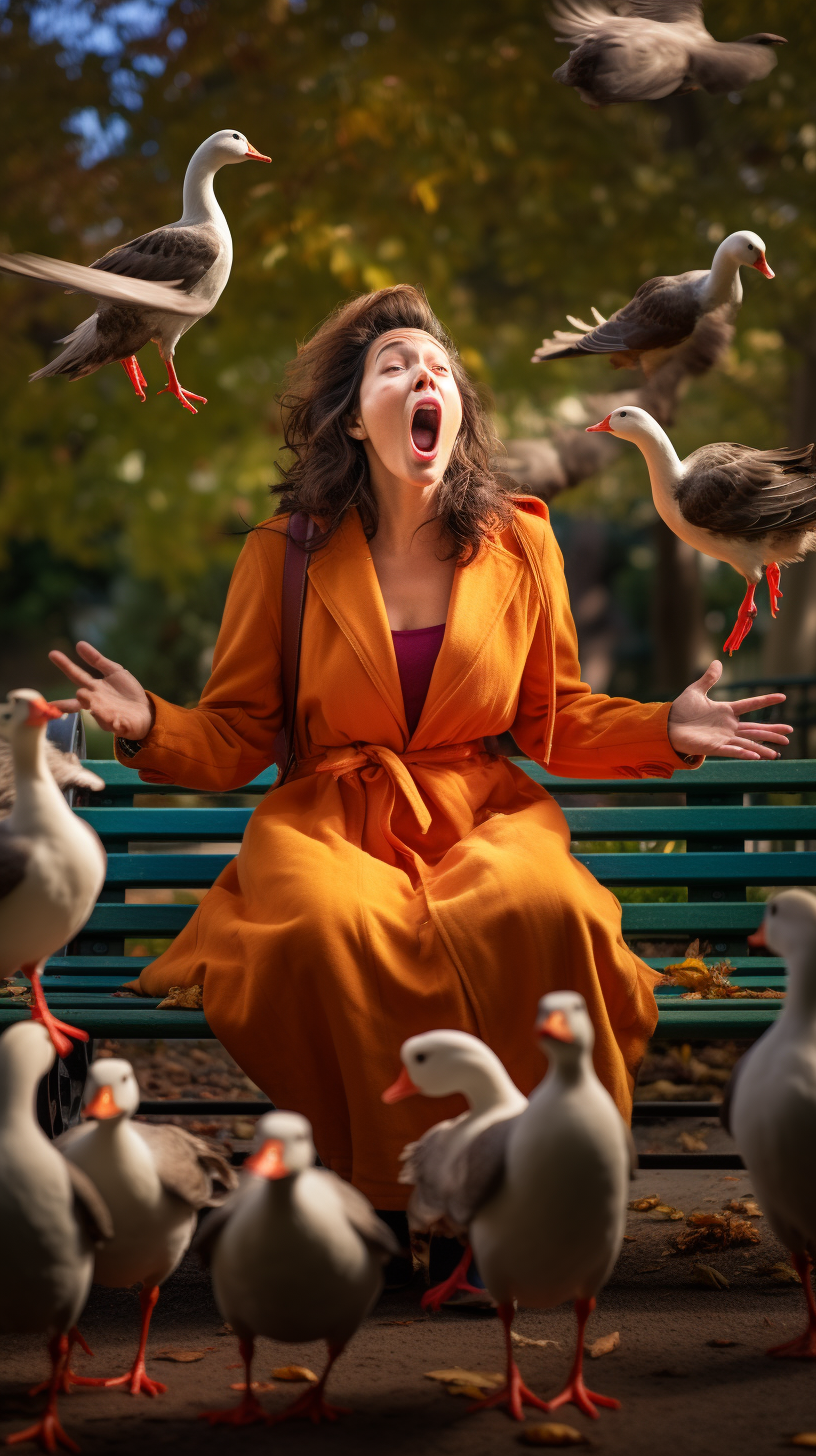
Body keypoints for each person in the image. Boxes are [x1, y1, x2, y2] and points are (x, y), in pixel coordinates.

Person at [50, 285, 791, 1214]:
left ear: (456, 414)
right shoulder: (282, 554)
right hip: (328, 820)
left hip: (483, 811)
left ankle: (528, 1192)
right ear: (357, 420)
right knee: (329, 926)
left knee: (542, 907)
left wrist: (664, 728)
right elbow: (239, 735)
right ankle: (391, 1201)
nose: (422, 375)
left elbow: (551, 714)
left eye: (436, 368)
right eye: (394, 367)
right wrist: (150, 722)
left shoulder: (522, 541)